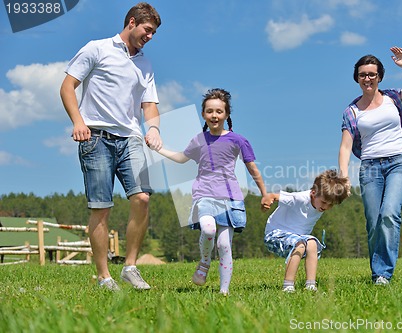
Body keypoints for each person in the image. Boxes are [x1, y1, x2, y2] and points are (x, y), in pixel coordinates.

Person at [60, 3, 163, 291]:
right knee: (101, 208)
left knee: (142, 198)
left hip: (130, 138)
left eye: (154, 32)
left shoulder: (145, 63)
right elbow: (67, 86)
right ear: (132, 22)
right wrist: (79, 122)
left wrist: (153, 129)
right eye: (147, 30)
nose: (150, 36)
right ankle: (104, 277)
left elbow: (149, 105)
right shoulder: (97, 48)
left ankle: (130, 267)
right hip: (95, 137)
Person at [338, 46, 402, 285]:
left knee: (390, 214)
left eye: (372, 74)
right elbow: (345, 146)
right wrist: (343, 176)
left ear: (379, 76)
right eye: (363, 74)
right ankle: (378, 272)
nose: (367, 78)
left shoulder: (393, 97)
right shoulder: (352, 111)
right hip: (370, 167)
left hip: (398, 162)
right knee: (374, 222)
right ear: (357, 78)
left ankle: (383, 274)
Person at [155, 88, 267, 296]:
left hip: (230, 198)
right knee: (208, 229)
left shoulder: (237, 140)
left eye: (219, 111)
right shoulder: (199, 140)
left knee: (224, 244)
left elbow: (253, 168)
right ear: (203, 114)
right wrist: (158, 149)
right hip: (204, 195)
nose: (214, 115)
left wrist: (264, 193)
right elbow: (181, 158)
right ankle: (205, 262)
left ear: (226, 115)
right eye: (209, 111)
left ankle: (223, 292)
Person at [262, 170, 350, 293]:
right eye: (324, 202)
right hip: (274, 235)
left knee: (313, 243)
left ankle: (310, 285)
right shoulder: (300, 198)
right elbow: (273, 196)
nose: (326, 207)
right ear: (313, 193)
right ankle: (288, 286)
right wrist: (267, 201)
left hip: (297, 237)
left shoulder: (321, 203)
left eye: (331, 205)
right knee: (300, 244)